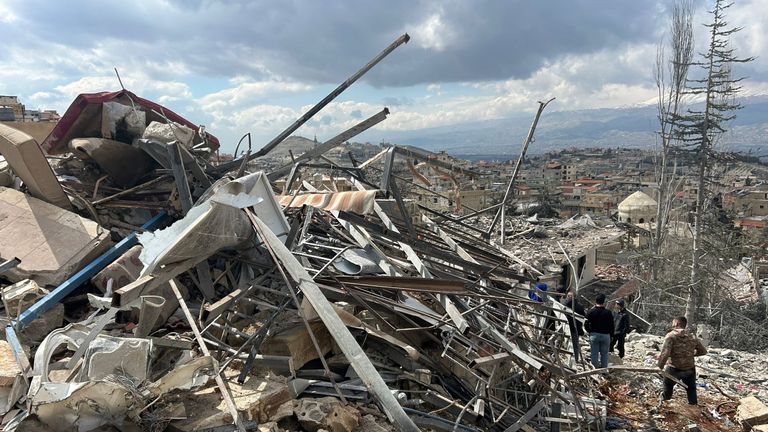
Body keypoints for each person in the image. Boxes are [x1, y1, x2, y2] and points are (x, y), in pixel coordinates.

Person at [657, 316, 707, 405]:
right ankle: (694, 409)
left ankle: (664, 406)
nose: (672, 326)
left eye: (673, 324)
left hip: (674, 368)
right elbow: (703, 351)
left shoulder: (671, 336)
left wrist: (659, 367)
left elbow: (665, 354)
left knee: (667, 387)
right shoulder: (692, 337)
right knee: (691, 390)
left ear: (677, 324)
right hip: (689, 369)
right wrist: (689, 354)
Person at [584, 294, 613, 368]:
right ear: (604, 302)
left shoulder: (591, 312)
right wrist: (611, 335)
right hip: (606, 335)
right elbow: (612, 325)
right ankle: (604, 370)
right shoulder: (608, 313)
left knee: (594, 353)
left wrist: (589, 331)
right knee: (605, 354)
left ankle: (595, 371)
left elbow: (585, 323)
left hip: (594, 334)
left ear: (595, 301)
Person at [562, 291, 585, 361]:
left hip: (570, 327)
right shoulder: (580, 306)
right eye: (567, 296)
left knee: (573, 344)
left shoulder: (566, 305)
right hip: (575, 328)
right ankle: (575, 359)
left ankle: (573, 360)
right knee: (574, 344)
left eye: (570, 296)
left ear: (574, 297)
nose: (568, 297)